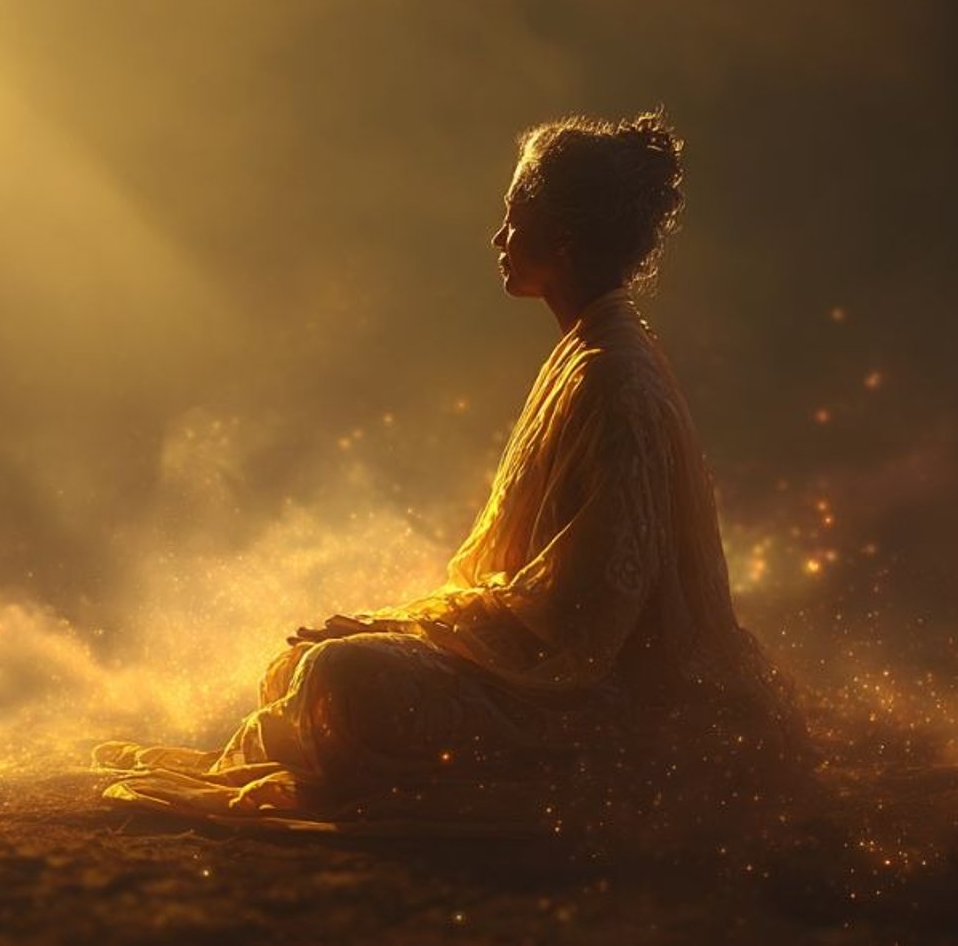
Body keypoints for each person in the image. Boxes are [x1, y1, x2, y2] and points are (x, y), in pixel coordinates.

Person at [95, 112, 809, 828]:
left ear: (561, 237)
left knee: (343, 679)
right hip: (541, 672)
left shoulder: (615, 377)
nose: (499, 240)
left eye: (514, 218)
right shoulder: (589, 352)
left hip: (599, 706)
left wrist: (411, 631)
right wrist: (409, 631)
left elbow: (589, 618)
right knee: (313, 667)